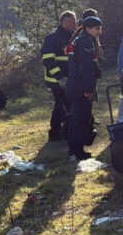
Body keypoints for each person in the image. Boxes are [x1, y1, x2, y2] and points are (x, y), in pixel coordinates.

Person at [65, 16, 103, 160]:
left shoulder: (79, 40)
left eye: (100, 28)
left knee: (76, 120)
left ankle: (73, 150)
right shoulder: (86, 42)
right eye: (96, 28)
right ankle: (78, 151)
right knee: (81, 120)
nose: (99, 31)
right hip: (81, 87)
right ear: (88, 29)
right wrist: (88, 89)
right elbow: (86, 68)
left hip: (75, 85)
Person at [41, 11, 77, 141]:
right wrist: (60, 77)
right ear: (65, 23)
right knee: (64, 104)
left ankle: (56, 131)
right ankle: (60, 132)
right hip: (57, 80)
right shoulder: (53, 38)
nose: (75, 24)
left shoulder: (70, 37)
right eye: (73, 22)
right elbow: (48, 60)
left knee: (60, 104)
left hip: (68, 79)